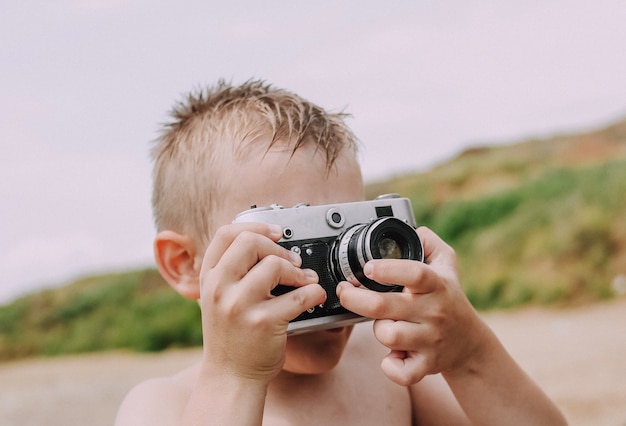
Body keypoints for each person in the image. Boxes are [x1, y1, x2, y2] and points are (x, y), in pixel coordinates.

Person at [115, 79, 566, 425]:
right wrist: (234, 376)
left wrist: (470, 353)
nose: (336, 277)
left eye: (346, 234)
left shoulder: (384, 366)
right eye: (292, 245)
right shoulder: (164, 405)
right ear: (186, 264)